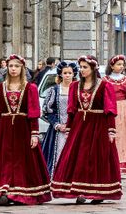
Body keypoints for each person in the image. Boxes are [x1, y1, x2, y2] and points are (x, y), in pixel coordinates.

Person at [0, 54, 51, 205]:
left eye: (17, 66)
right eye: (11, 66)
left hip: (23, 129)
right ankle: (1, 190)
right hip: (4, 130)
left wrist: (34, 134)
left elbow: (33, 113)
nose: (13, 69)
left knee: (21, 161)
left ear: (22, 68)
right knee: (2, 160)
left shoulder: (30, 88)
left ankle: (20, 192)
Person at [51, 55, 122, 203]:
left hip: (98, 126)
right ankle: (80, 191)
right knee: (79, 159)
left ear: (93, 68)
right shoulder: (74, 86)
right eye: (81, 67)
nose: (82, 70)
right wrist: (69, 129)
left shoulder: (104, 86)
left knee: (96, 159)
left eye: (85, 67)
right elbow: (71, 110)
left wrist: (111, 130)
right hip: (79, 127)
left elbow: (109, 110)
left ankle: (98, 192)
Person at [41, 61, 77, 177]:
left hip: (75, 128)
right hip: (57, 130)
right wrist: (57, 124)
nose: (67, 75)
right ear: (60, 74)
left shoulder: (78, 90)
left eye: (69, 73)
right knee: (57, 153)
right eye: (65, 73)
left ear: (74, 74)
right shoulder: (55, 90)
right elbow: (47, 111)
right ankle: (57, 177)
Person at [104, 55, 126, 174]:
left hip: (123, 109)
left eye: (122, 64)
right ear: (112, 66)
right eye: (118, 64)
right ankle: (111, 161)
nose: (121, 67)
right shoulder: (105, 80)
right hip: (110, 108)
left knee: (125, 136)